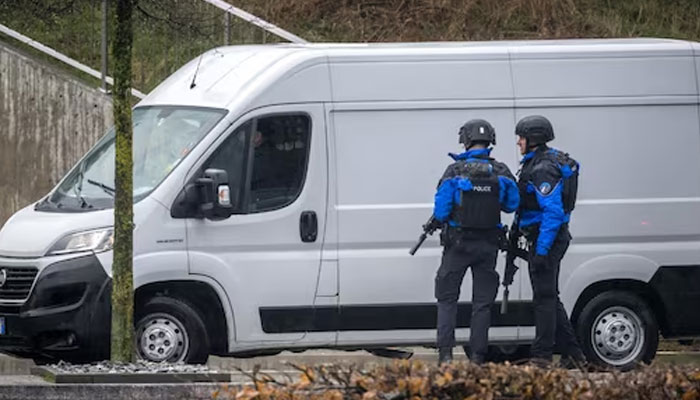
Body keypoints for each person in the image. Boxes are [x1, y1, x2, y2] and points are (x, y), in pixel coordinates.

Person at [430, 119, 519, 365]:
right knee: (482, 304)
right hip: (488, 246)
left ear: (465, 140)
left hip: (457, 246)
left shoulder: (454, 171)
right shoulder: (501, 172)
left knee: (447, 300)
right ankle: (478, 358)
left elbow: (440, 211)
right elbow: (512, 205)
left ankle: (446, 356)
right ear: (490, 140)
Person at [513, 115, 586, 367]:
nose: (518, 142)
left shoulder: (543, 168)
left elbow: (552, 213)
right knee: (549, 297)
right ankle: (575, 355)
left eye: (521, 137)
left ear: (533, 139)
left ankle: (542, 357)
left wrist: (542, 250)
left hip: (548, 240)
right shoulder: (538, 162)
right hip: (546, 239)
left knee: (544, 300)